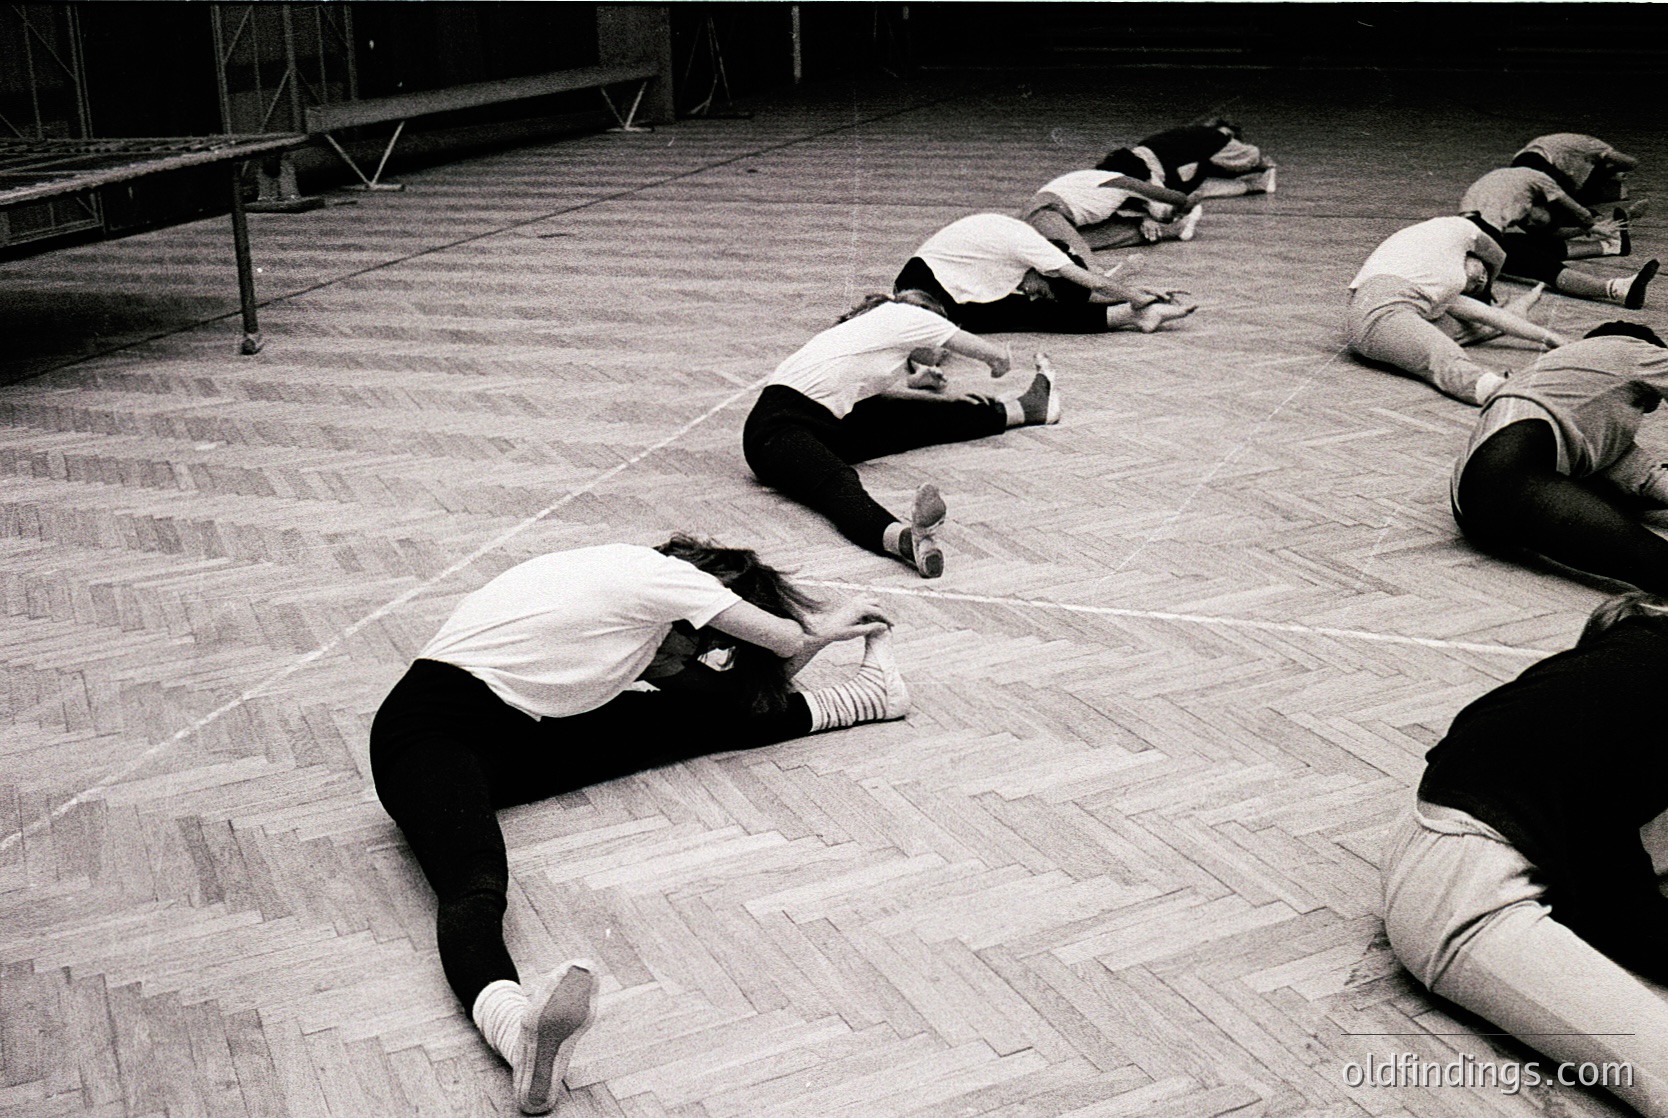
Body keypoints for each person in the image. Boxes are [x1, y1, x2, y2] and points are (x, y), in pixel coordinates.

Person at [370, 537, 907, 1114]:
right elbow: (782, 639)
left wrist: (717, 663)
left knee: (676, 717)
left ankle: (867, 698)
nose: (702, 653)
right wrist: (823, 626)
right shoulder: (667, 579)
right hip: (425, 739)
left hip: (517, 735)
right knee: (474, 881)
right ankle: (514, 1028)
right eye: (712, 642)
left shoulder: (620, 588)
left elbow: (724, 699)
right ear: (709, 603)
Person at [1381, 591, 1668, 1118]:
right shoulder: (1645, 689)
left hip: (1498, 837)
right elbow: (1612, 901)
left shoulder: (1639, 654)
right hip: (1458, 891)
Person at [744, 290, 1059, 578]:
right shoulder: (907, 314)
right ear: (927, 313)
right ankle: (906, 540)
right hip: (776, 430)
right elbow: (995, 356)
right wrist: (998, 363)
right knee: (838, 483)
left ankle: (1026, 409)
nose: (938, 350)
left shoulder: (868, 330)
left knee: (915, 414)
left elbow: (881, 375)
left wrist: (921, 378)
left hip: (825, 423)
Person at [1451, 321, 1668, 595]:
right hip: (1508, 475)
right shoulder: (1631, 349)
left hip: (1474, 503)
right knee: (1656, 562)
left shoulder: (1571, 395)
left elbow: (1647, 477)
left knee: (1651, 558)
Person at [1346, 215, 1565, 406]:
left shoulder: (1443, 283)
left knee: (1469, 326)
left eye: (1477, 286)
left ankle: (1497, 376)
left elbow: (1491, 316)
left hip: (1385, 319)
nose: (1480, 278)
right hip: (1380, 311)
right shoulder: (1458, 229)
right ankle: (1499, 389)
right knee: (1444, 357)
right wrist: (1488, 288)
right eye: (1483, 274)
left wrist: (1551, 337)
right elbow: (1498, 256)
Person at [893, 212, 1195, 335]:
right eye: (1042, 290)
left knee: (1031, 312)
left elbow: (1083, 290)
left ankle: (1133, 316)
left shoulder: (1039, 259)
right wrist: (1132, 294)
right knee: (923, 325)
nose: (1031, 293)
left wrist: (1134, 299)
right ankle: (918, 366)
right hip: (923, 280)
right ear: (1045, 273)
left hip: (958, 289)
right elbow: (1089, 281)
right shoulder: (1037, 251)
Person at [1460, 166, 1658, 308]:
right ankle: (1616, 289)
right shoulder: (1529, 187)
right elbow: (1573, 215)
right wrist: (1592, 225)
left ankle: (1609, 246)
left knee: (1526, 244)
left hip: (1468, 235)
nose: (1531, 225)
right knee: (1537, 261)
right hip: (1469, 242)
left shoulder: (1507, 194)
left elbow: (1548, 231)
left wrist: (1593, 228)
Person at [1021, 167, 1203, 258]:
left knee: (1125, 232)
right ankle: (1100, 285)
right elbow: (1176, 198)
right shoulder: (1123, 182)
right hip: (1046, 211)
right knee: (1078, 251)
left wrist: (1147, 218)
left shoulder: (1111, 196)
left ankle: (1176, 229)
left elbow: (1105, 216)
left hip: (1060, 219)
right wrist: (1187, 204)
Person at [1097, 117, 1276, 201]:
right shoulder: (1217, 139)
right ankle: (1256, 181)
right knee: (1191, 187)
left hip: (1147, 157)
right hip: (1154, 162)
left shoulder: (1208, 138)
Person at [1512, 132, 1638, 207]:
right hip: (1535, 160)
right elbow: (1631, 163)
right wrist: (1609, 172)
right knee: (1569, 194)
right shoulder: (1596, 147)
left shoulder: (1581, 153)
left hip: (1525, 158)